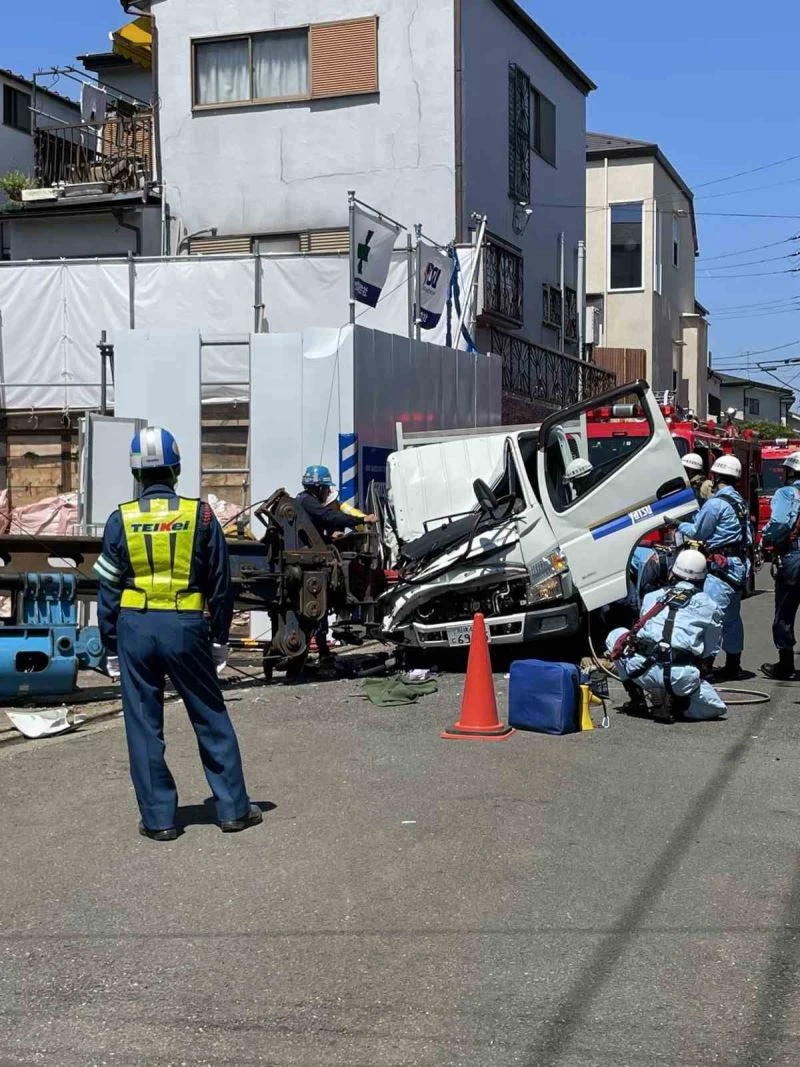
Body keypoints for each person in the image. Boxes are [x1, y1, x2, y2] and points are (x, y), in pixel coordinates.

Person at [93, 426, 262, 842]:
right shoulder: (201, 515)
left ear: (136, 474)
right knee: (208, 713)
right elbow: (222, 584)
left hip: (135, 628)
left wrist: (110, 644)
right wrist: (220, 637)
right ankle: (233, 810)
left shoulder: (121, 520)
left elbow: (108, 589)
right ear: (178, 468)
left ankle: (159, 819)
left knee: (143, 723)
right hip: (186, 628)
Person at [607, 549, 726, 724]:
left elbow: (640, 633)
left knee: (615, 635)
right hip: (680, 676)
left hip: (640, 670)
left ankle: (637, 699)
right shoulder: (710, 606)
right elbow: (709, 649)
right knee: (716, 708)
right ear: (703, 579)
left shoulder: (651, 597)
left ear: (673, 573)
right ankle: (677, 703)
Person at [676, 454, 751, 681]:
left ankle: (706, 666)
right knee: (732, 618)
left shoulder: (716, 503)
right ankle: (733, 664)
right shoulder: (739, 501)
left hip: (721, 571)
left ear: (716, 476)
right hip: (737, 567)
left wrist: (677, 524)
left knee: (711, 616)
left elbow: (699, 532)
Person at [296, 464, 377, 663]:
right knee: (329, 590)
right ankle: (346, 605)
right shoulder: (308, 501)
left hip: (307, 558)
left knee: (319, 606)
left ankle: (322, 650)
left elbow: (318, 523)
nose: (327, 493)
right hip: (308, 562)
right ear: (319, 488)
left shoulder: (303, 501)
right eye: (326, 489)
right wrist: (361, 519)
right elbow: (328, 516)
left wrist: (328, 535)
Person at [760, 450, 800, 679]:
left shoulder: (787, 492)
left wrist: (767, 539)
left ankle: (786, 664)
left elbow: (780, 522)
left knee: (784, 613)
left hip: (794, 557)